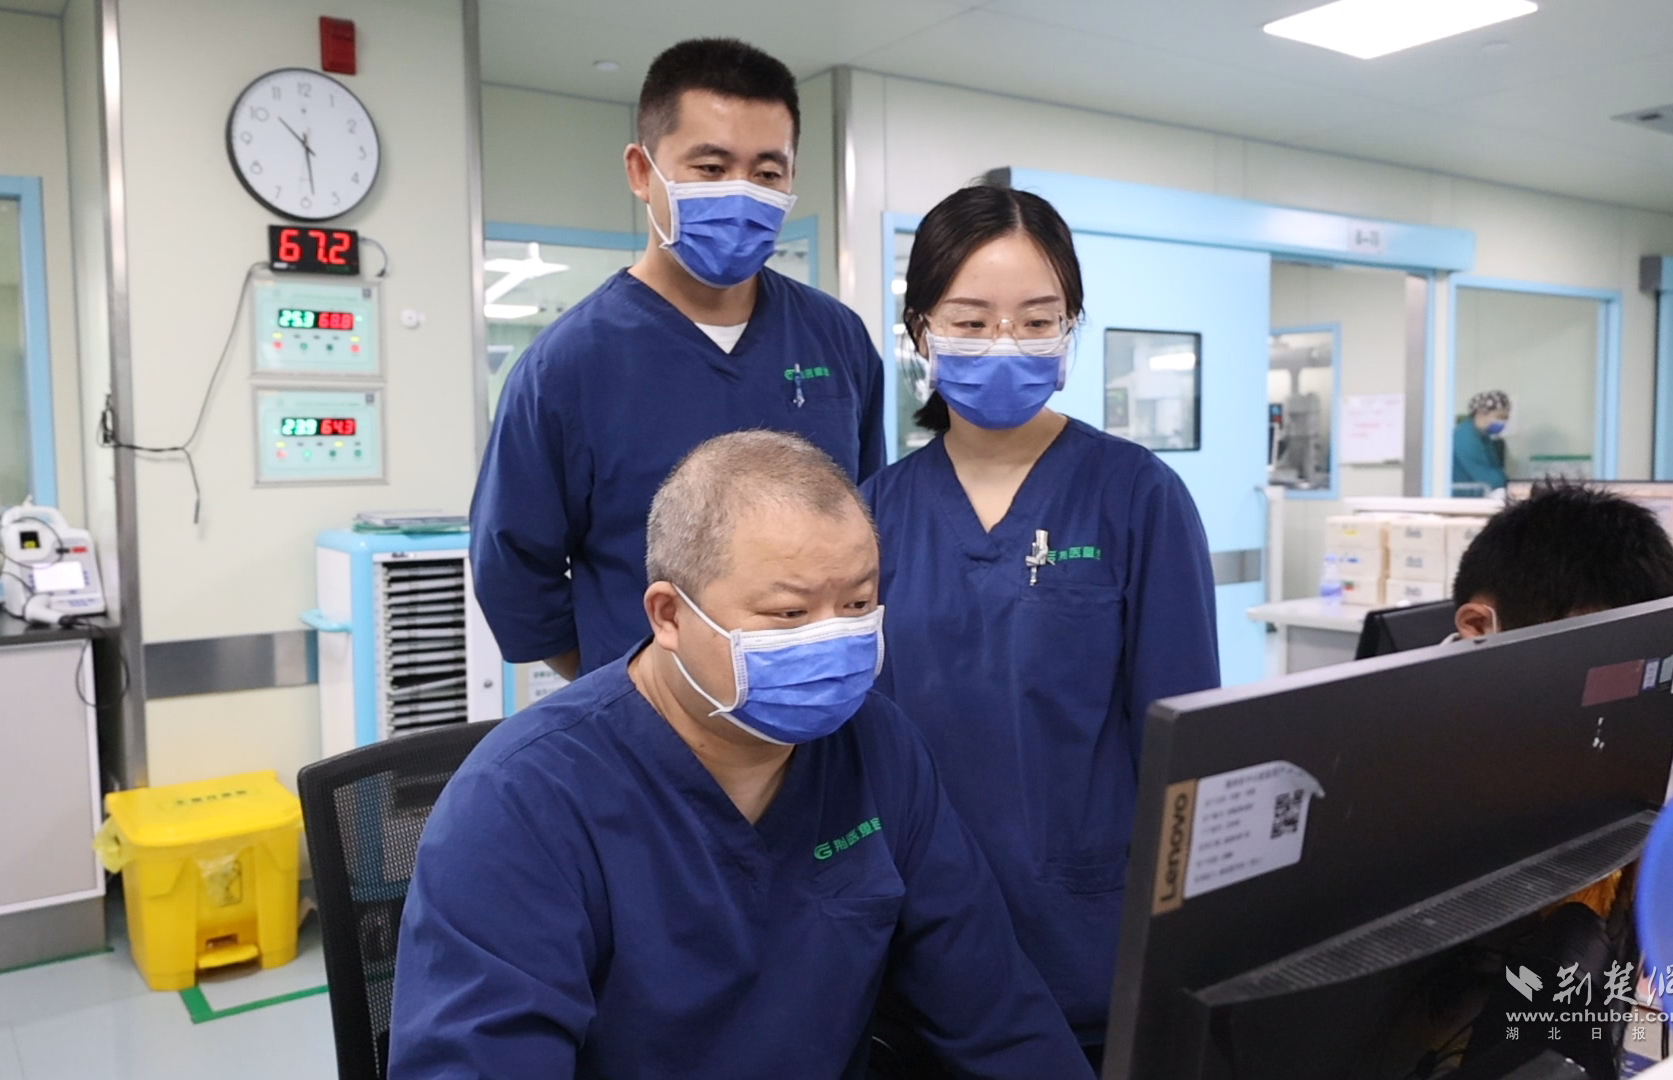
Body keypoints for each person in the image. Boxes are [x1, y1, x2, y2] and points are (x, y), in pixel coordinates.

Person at [391, 432, 1090, 1080]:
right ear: (668, 615)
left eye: (857, 604)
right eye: (788, 614)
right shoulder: (523, 802)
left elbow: (994, 1011)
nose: (832, 640)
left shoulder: (878, 747)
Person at [860, 185, 1220, 1067]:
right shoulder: (873, 514)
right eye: (970, 321)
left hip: (1089, 950)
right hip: (918, 952)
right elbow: (857, 746)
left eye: (1035, 320)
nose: (1004, 343)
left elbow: (1185, 752)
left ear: (1069, 328)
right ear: (920, 332)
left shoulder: (1137, 496)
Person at [470, 38, 885, 682]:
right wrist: (623, 681)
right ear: (642, 171)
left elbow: (869, 515)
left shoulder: (836, 337)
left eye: (767, 173)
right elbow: (514, 569)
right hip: (645, 716)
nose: (741, 193)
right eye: (711, 168)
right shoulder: (568, 365)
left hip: (820, 696)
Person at [1451, 481, 1673, 802]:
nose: (1612, 683)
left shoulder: (1625, 703)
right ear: (1478, 625)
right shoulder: (1414, 741)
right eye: (1588, 653)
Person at [1452, 389, 1510, 496]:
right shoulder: (1465, 437)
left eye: (1505, 418)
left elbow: (1495, 468)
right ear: (1480, 414)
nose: (1502, 422)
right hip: (1461, 498)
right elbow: (1487, 478)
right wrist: (1509, 485)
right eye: (1499, 417)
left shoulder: (1484, 437)